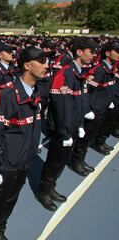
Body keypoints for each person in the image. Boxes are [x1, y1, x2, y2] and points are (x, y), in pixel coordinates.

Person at [0, 46, 48, 240]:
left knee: (10, 202)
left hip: (23, 161)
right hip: (5, 165)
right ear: (28, 65)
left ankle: (0, 232)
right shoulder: (8, 95)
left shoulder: (36, 91)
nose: (47, 65)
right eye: (42, 61)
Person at [35, 37, 97, 212]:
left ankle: (51, 187)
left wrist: (80, 123)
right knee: (54, 161)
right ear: (79, 52)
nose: (93, 55)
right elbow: (62, 106)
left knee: (62, 161)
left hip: (72, 126)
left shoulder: (79, 72)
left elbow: (81, 100)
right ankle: (43, 191)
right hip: (63, 129)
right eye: (91, 51)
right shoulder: (66, 73)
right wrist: (65, 132)